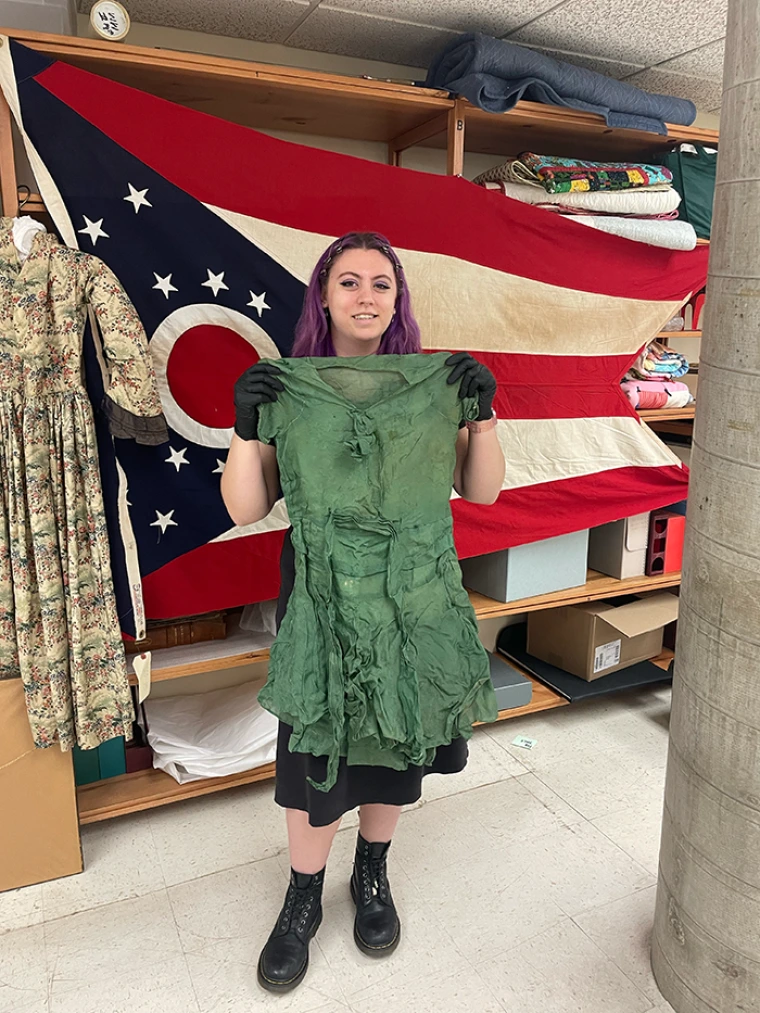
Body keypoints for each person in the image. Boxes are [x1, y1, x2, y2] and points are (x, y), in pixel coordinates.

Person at [221, 231, 505, 993]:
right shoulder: (289, 390)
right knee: (315, 763)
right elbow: (247, 506)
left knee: (390, 749)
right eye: (349, 281)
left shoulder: (432, 384)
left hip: (411, 596)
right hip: (321, 600)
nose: (367, 296)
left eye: (383, 283)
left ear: (397, 300)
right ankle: (303, 897)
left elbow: (481, 492)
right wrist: (246, 431)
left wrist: (481, 418)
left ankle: (371, 874)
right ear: (323, 295)